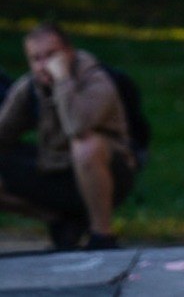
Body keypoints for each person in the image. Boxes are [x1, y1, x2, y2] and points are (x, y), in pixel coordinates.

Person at [0, 23, 135, 251]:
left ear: (69, 52)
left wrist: (62, 80)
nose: (44, 65)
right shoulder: (30, 87)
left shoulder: (96, 80)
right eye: (36, 59)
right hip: (53, 169)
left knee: (86, 145)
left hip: (107, 174)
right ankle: (58, 220)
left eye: (51, 55)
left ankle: (102, 235)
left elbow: (77, 126)